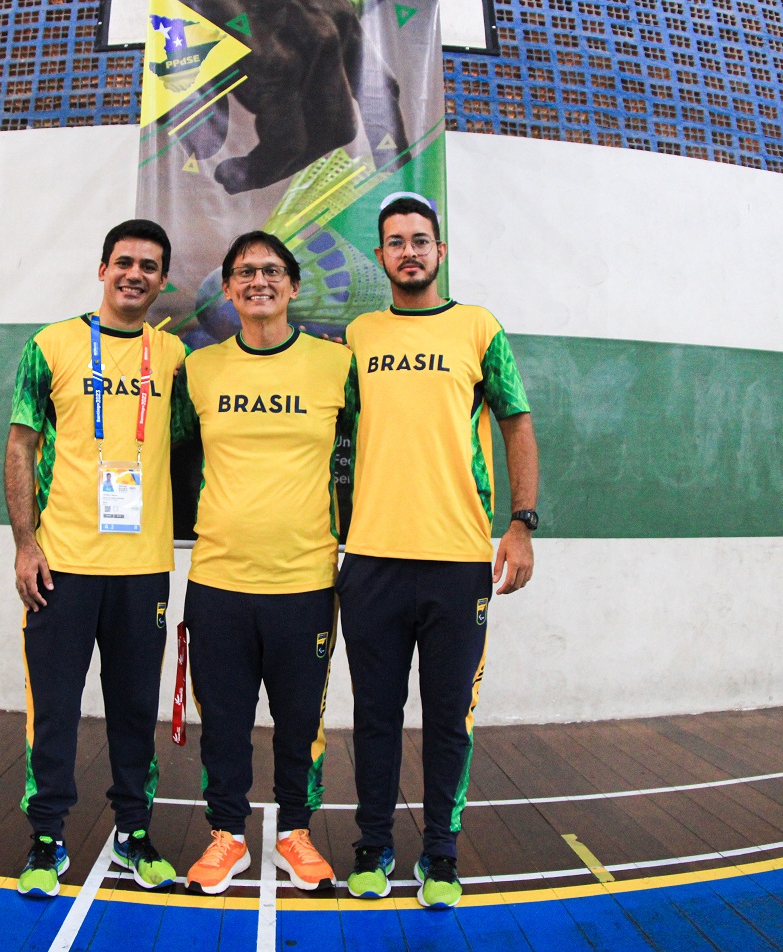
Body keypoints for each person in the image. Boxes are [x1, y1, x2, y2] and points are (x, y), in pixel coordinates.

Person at [340, 193, 540, 909]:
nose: (409, 252)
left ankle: (443, 856)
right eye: (395, 242)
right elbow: (338, 441)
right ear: (382, 256)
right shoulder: (357, 335)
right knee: (374, 715)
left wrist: (520, 524)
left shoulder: (479, 327)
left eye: (420, 240)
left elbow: (516, 423)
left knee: (449, 715)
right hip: (369, 560)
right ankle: (371, 847)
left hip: (459, 560)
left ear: (440, 251)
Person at [4, 219, 189, 898]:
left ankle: (133, 834)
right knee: (52, 707)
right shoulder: (49, 346)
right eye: (124, 262)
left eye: (149, 266)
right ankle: (46, 836)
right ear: (103, 268)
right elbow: (21, 445)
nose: (135, 274)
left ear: (163, 281)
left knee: (134, 708)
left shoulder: (174, 358)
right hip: (62, 564)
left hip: (143, 570)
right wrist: (26, 543)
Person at [174, 231, 357, 895]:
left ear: (293, 285)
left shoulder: (336, 367)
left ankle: (294, 834)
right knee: (222, 721)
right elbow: (164, 460)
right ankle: (226, 837)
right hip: (218, 580)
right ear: (228, 288)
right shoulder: (198, 370)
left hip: (306, 580)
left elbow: (378, 451)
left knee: (299, 722)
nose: (259, 280)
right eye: (245, 271)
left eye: (272, 270)